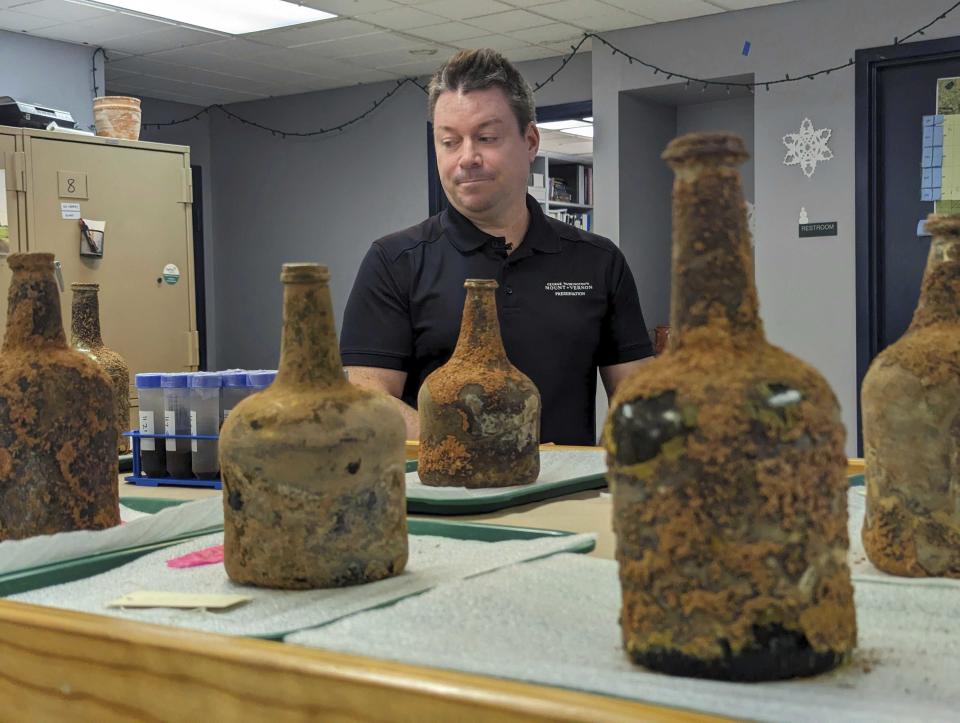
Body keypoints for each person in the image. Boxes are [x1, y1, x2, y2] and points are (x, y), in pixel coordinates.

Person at [341, 48, 653, 445]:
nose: (467, 158)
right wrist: (485, 451)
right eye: (449, 142)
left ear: (530, 141)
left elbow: (637, 399)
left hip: (567, 500)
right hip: (443, 502)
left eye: (486, 138)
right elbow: (369, 400)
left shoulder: (599, 261)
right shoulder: (394, 262)